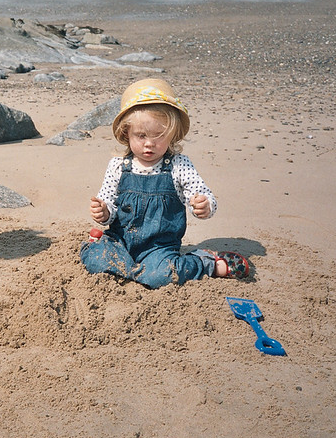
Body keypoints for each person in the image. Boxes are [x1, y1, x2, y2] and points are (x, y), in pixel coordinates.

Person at [80, 78, 249, 289]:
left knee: (161, 277)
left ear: (172, 134)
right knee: (95, 259)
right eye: (141, 136)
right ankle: (126, 263)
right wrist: (104, 211)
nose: (149, 143)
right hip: (120, 241)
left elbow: (202, 194)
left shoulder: (179, 165)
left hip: (160, 247)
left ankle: (204, 262)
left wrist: (204, 205)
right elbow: (108, 203)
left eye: (158, 135)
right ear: (126, 133)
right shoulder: (117, 166)